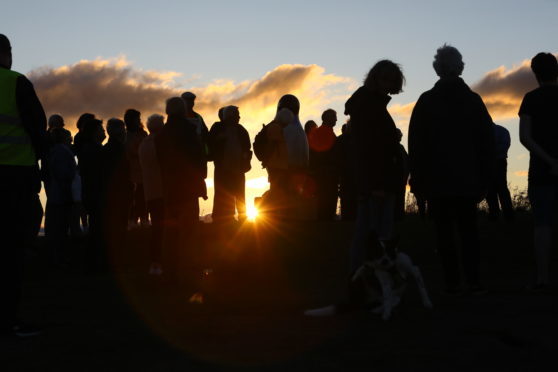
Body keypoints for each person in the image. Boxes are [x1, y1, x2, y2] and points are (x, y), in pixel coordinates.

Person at [408, 45, 494, 295]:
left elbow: (416, 143)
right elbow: (486, 141)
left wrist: (418, 179)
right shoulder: (473, 101)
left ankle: (452, 282)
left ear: (438, 69)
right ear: (460, 67)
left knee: (444, 233)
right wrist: (485, 177)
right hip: (468, 180)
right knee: (469, 231)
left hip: (437, 182)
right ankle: (473, 280)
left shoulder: (426, 101)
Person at [0, 34, 47, 337]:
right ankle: (7, 322)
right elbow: (36, 126)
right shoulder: (15, 82)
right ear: (5, 54)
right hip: (14, 178)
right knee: (10, 253)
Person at [345, 60, 404, 273]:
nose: (389, 84)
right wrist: (376, 183)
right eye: (385, 79)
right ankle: (364, 279)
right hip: (376, 180)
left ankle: (366, 279)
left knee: (370, 231)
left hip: (378, 179)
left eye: (392, 80)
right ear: (376, 79)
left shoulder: (370, 103)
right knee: (373, 233)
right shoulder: (369, 105)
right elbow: (369, 148)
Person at [519, 52, 558, 291]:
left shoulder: (530, 99)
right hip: (547, 169)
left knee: (542, 224)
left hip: (541, 172)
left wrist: (549, 160)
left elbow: (525, 137)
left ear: (535, 74)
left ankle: (542, 276)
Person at [155, 97, 205, 275]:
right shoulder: (188, 130)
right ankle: (189, 269)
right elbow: (197, 159)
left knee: (171, 234)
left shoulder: (161, 134)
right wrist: (201, 181)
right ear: (183, 110)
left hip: (170, 188)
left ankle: (170, 269)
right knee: (189, 232)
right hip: (188, 188)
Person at [208, 105, 252, 224]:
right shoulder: (218, 128)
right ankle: (221, 220)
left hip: (237, 169)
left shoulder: (241, 130)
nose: (239, 117)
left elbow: (247, 147)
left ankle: (241, 219)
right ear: (231, 116)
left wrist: (245, 159)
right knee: (223, 195)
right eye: (237, 115)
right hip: (223, 169)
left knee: (239, 196)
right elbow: (210, 143)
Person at [102, 118, 133, 268]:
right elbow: (123, 173)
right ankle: (119, 260)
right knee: (120, 228)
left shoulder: (106, 149)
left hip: (112, 194)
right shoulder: (119, 149)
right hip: (121, 194)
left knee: (115, 228)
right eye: (123, 129)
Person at [44, 128, 76, 267]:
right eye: (69, 137)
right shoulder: (62, 151)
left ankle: (57, 260)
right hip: (61, 196)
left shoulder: (54, 151)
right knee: (60, 230)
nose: (71, 140)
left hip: (56, 195)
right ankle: (59, 261)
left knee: (57, 229)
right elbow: (64, 174)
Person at [138, 114, 165, 275]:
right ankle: (159, 261)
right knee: (163, 230)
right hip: (162, 191)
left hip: (150, 191)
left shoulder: (143, 144)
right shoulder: (159, 143)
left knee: (156, 228)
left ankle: (155, 262)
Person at [309, 109, 339, 221]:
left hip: (324, 173)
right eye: (334, 117)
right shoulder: (324, 133)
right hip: (326, 174)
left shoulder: (322, 132)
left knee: (324, 202)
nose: (336, 119)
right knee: (327, 201)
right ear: (327, 118)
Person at [181, 92, 209, 210]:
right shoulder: (178, 117)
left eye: (192, 101)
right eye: (188, 100)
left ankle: (194, 218)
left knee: (196, 190)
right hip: (183, 160)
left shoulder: (198, 117)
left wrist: (206, 154)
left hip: (198, 158)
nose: (190, 103)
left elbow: (206, 135)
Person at [124, 109, 148, 228]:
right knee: (133, 199)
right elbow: (129, 151)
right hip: (132, 172)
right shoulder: (126, 135)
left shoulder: (143, 133)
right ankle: (132, 220)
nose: (139, 120)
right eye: (136, 118)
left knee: (143, 197)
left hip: (143, 171)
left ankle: (144, 219)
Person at [486, 122, 514, 221]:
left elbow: (504, 147)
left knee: (495, 187)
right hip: (497, 162)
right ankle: (505, 214)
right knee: (495, 188)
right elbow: (504, 146)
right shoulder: (502, 130)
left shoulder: (500, 131)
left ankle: (498, 214)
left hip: (496, 162)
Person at [336, 122, 357, 221]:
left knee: (347, 200)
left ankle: (347, 218)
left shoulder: (340, 140)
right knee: (349, 199)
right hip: (349, 175)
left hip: (346, 176)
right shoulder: (357, 140)